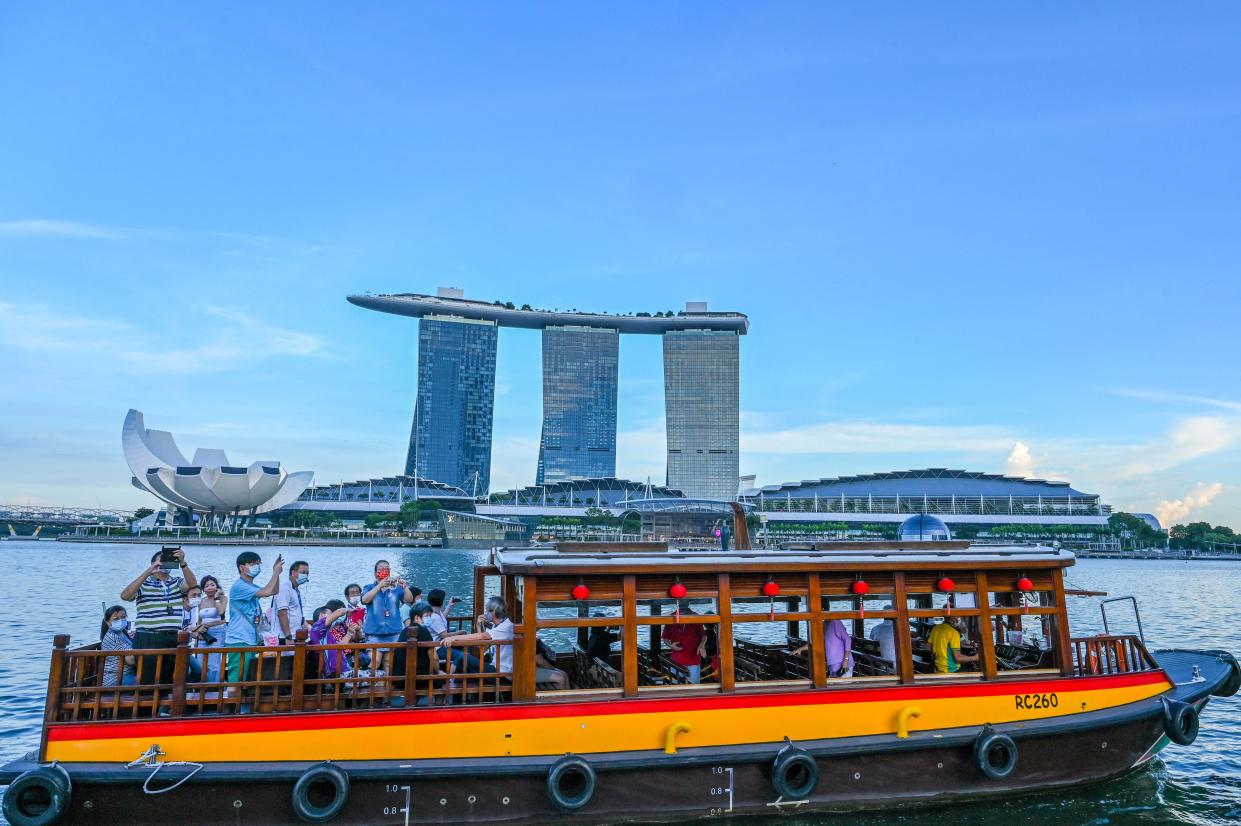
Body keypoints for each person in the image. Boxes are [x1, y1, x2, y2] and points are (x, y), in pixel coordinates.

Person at [119, 547, 198, 684]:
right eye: (161, 560)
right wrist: (149, 572)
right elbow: (125, 596)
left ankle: (167, 704)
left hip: (172, 636)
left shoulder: (176, 582)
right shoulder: (143, 584)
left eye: (168, 559)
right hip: (148, 636)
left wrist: (183, 563)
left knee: (172, 680)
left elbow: (193, 584)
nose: (164, 563)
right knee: (147, 680)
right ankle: (148, 704)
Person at [224, 551, 284, 683]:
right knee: (237, 681)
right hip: (239, 640)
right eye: (252, 563)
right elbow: (267, 592)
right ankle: (232, 703)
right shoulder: (239, 586)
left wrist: (277, 574)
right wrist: (275, 573)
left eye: (258, 563)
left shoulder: (250, 586)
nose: (256, 566)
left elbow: (274, 591)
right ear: (241, 567)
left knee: (248, 681)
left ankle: (243, 704)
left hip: (250, 639)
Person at [361, 560, 415, 673]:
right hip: (374, 633)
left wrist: (405, 587)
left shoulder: (396, 588)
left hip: (393, 631)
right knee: (374, 662)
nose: (385, 570)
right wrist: (380, 585)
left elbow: (409, 600)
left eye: (387, 568)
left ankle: (386, 687)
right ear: (376, 573)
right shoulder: (369, 587)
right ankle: (370, 688)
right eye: (382, 568)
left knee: (389, 663)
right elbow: (365, 600)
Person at [390, 602, 444, 705]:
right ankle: (438, 707)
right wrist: (438, 671)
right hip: (417, 679)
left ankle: (414, 704)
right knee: (442, 679)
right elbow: (434, 658)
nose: (429, 618)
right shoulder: (424, 631)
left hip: (399, 678)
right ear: (417, 617)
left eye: (430, 616)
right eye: (426, 616)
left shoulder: (404, 631)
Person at [661, 604, 706, 683]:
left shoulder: (695, 617)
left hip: (693, 659)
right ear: (678, 602)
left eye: (685, 600)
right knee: (676, 688)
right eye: (681, 600)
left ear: (688, 602)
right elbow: (665, 638)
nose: (683, 602)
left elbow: (704, 636)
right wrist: (671, 646)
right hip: (676, 660)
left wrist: (702, 645)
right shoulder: (672, 616)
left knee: (694, 688)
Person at [272, 560, 309, 645]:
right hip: (284, 637)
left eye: (307, 573)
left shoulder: (295, 589)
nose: (306, 575)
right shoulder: (284, 588)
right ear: (293, 572)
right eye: (303, 572)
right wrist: (288, 636)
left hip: (295, 635)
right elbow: (282, 613)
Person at [99, 605, 136, 688]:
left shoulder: (122, 633)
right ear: (108, 622)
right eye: (116, 619)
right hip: (114, 680)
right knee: (150, 680)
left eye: (123, 617)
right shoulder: (113, 637)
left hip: (125, 676)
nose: (121, 621)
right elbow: (130, 660)